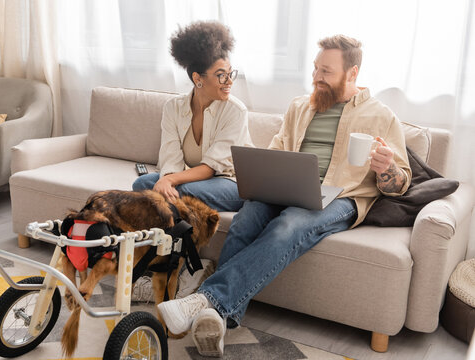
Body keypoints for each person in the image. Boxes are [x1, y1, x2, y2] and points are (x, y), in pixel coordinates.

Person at [158, 34, 412, 357]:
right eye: (315, 69)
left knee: (289, 225)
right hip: (289, 188)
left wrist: (386, 168)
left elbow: (400, 183)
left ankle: (207, 299)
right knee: (247, 216)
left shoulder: (381, 116)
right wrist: (264, 177)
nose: (316, 78)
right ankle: (220, 319)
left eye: (326, 72)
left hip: (340, 197)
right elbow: (277, 150)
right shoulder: (300, 106)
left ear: (352, 74)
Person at [132, 21, 252, 212]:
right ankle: (172, 236)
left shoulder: (236, 111)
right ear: (198, 79)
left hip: (231, 182)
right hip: (194, 180)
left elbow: (210, 168)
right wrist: (167, 180)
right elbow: (171, 157)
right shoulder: (173, 108)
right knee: (142, 184)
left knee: (184, 190)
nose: (229, 81)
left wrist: (169, 180)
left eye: (230, 74)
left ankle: (173, 239)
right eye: (221, 75)